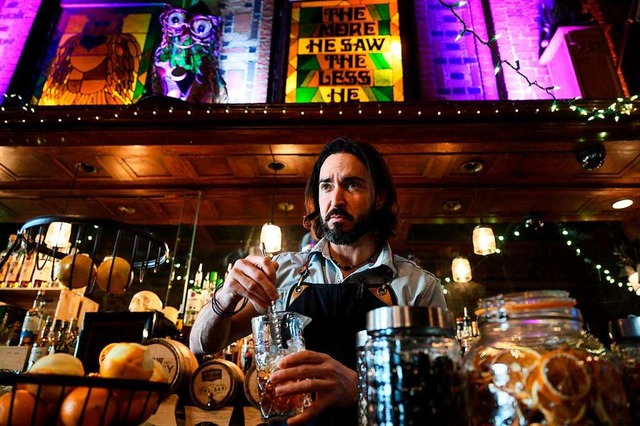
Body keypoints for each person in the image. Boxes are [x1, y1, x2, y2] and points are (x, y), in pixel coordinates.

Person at [190, 137, 447, 425]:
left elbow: (441, 397)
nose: (336, 200)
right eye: (326, 186)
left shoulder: (418, 287)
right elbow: (202, 344)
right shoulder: (286, 271)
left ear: (380, 197)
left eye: (351, 184)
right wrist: (225, 297)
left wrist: (362, 388)